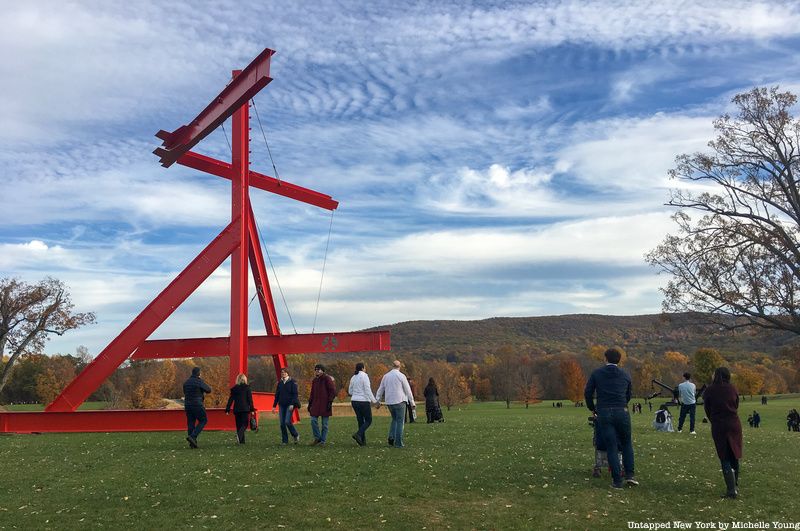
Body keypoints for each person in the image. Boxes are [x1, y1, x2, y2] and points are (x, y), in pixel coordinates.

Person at [584, 348, 638, 489]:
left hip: (604, 411)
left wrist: (593, 408)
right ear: (619, 360)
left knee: (611, 446)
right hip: (622, 410)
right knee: (626, 443)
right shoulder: (625, 375)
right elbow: (629, 394)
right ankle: (630, 475)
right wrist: (622, 403)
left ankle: (617, 481)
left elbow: (588, 392)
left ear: (605, 358)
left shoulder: (597, 373)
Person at [703, 367, 743, 499]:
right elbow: (736, 404)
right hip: (734, 423)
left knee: (724, 455)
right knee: (734, 453)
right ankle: (735, 485)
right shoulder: (733, 389)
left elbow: (707, 408)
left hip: (719, 425)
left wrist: (714, 419)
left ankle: (731, 490)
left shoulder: (710, 390)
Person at [376, 360, 416, 448]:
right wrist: (412, 402)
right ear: (399, 366)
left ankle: (391, 436)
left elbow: (381, 389)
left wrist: (377, 400)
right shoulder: (401, 376)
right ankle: (398, 442)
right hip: (400, 401)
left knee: (394, 419)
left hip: (389, 402)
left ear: (392, 366)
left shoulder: (386, 376)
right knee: (400, 421)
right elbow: (407, 390)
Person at [348, 362, 377, 446]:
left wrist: (356, 393)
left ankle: (362, 441)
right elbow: (367, 390)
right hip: (363, 401)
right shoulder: (364, 376)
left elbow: (350, 391)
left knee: (360, 421)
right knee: (368, 420)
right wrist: (374, 401)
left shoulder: (353, 377)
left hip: (354, 401)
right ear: (363, 368)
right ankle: (358, 434)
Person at [183, 366, 212, 449]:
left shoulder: (186, 382)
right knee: (203, 420)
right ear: (199, 374)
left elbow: (185, 392)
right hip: (197, 404)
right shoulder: (199, 381)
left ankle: (192, 443)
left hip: (187, 405)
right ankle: (193, 436)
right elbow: (208, 390)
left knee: (190, 423)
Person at [308, 364, 336, 445]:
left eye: (319, 369)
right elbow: (312, 393)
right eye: (316, 369)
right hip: (316, 404)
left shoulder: (327, 379)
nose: (317, 371)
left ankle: (322, 441)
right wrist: (310, 404)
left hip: (325, 404)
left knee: (325, 424)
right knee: (313, 420)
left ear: (323, 370)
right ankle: (317, 437)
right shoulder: (314, 380)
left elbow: (332, 391)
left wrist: (330, 402)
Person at [271, 368, 300, 444]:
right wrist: (274, 406)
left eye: (285, 372)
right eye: (282, 372)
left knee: (287, 421)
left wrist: (292, 404)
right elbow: (277, 395)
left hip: (289, 405)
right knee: (282, 424)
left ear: (288, 373)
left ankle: (295, 435)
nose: (283, 373)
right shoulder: (280, 383)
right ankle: (285, 441)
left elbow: (295, 394)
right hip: (281, 405)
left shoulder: (292, 382)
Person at [225, 373, 255, 444]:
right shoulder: (247, 388)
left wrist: (227, 409)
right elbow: (250, 400)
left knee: (239, 425)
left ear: (237, 380)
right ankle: (239, 436)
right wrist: (252, 409)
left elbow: (230, 399)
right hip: (245, 409)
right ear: (245, 379)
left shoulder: (234, 389)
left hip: (237, 409)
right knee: (245, 424)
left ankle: (241, 441)